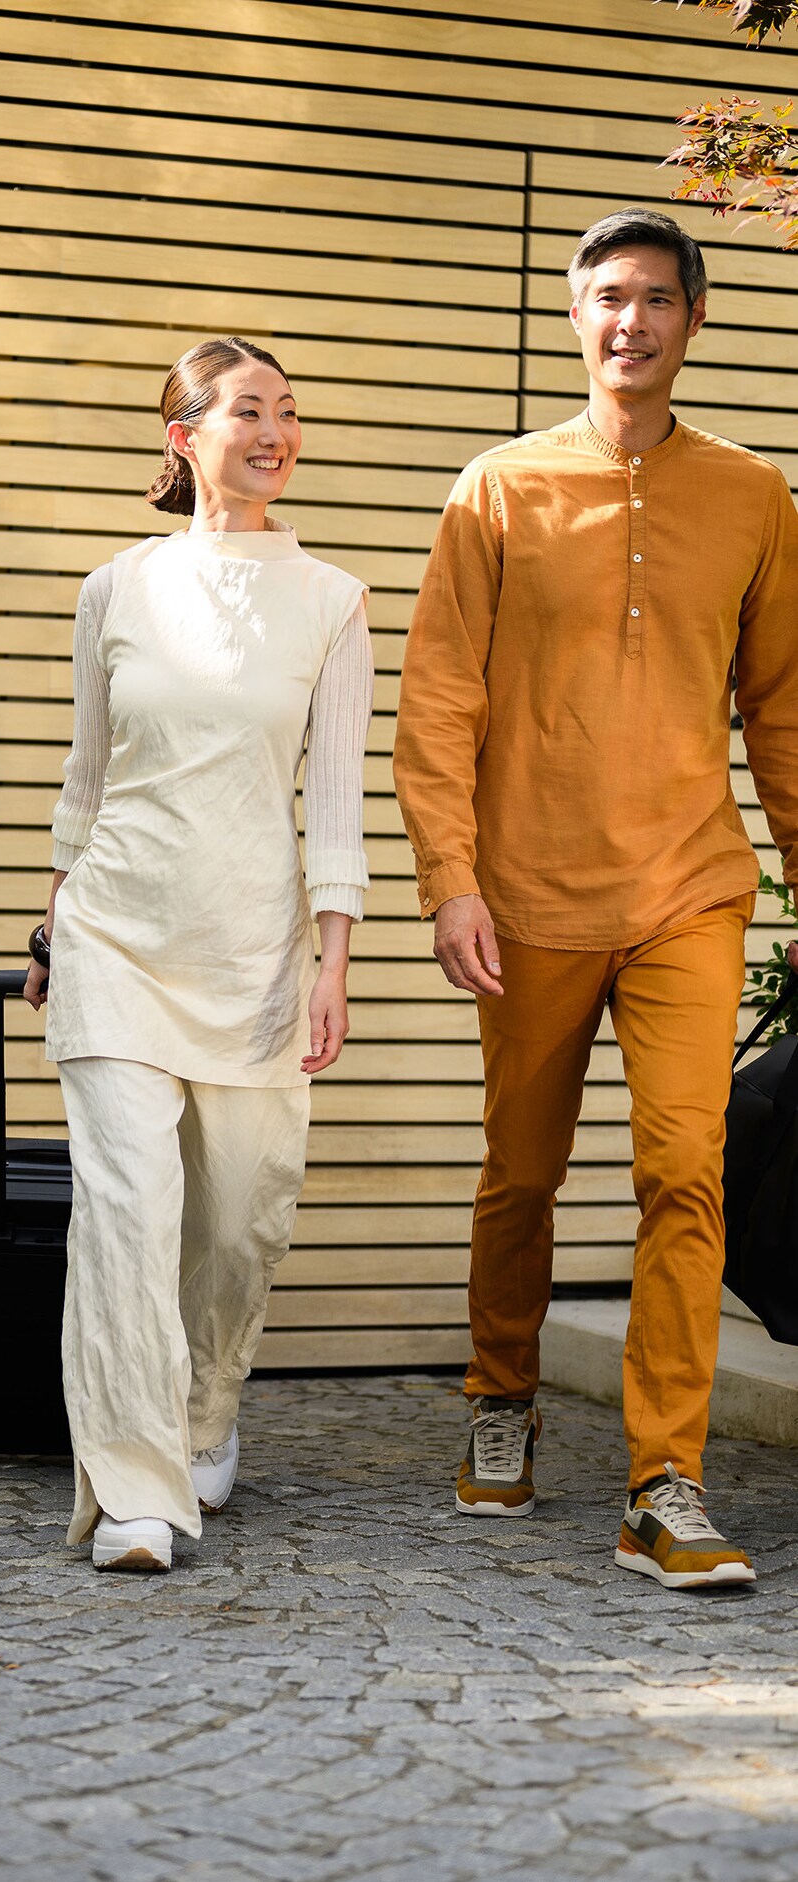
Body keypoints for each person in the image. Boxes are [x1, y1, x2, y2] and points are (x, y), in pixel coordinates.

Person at [394, 207, 798, 1590]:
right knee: (522, 1172)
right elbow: (438, 701)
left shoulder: (754, 497)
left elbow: (783, 709)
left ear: (693, 321)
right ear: (577, 318)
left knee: (686, 1172)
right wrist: (449, 880)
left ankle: (661, 1483)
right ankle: (498, 1399)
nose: (629, 321)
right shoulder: (497, 491)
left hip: (689, 887)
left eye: (654, 300)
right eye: (606, 298)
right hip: (528, 895)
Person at [23, 337, 373, 1572]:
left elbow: (333, 805)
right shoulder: (115, 588)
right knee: (122, 1216)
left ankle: (204, 1412)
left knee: (239, 1223)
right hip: (117, 932)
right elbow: (87, 780)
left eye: (289, 410)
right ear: (184, 435)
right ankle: (137, 1493)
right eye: (247, 410)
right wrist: (56, 918)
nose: (275, 431)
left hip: (257, 953)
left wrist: (331, 961)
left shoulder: (333, 600)